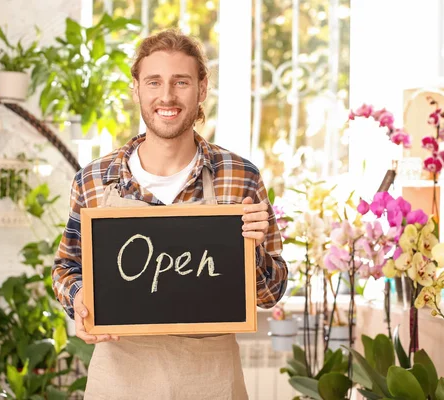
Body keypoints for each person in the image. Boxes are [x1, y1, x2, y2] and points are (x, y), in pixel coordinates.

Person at [52, 29, 288, 399]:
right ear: (137, 89)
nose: (167, 96)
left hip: (211, 380)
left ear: (202, 88)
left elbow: (271, 293)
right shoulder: (95, 180)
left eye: (181, 82)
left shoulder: (240, 177)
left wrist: (252, 251)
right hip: (120, 378)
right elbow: (66, 268)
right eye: (154, 82)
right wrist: (80, 299)